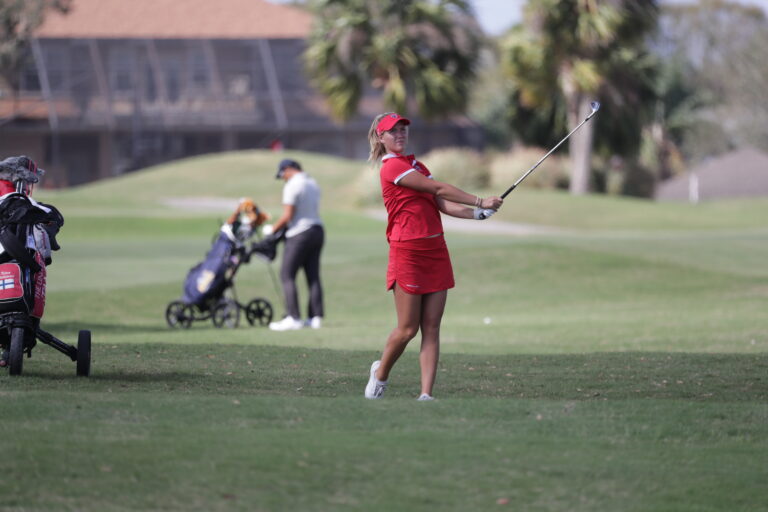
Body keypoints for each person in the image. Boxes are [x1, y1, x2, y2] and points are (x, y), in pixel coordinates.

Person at [364, 113, 503, 400]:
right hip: (408, 253)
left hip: (435, 250)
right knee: (407, 329)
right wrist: (480, 199)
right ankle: (380, 374)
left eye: (403, 130)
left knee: (432, 326)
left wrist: (478, 214)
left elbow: (441, 203)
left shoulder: (416, 165)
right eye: (393, 132)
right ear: (381, 137)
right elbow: (438, 188)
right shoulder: (391, 168)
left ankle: (426, 395)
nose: (400, 135)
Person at [266, 159, 325, 331]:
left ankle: (293, 318)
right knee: (312, 275)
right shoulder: (313, 182)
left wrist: (271, 230)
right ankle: (315, 318)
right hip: (317, 230)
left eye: (282, 174)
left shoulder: (292, 185)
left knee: (287, 275)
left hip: (299, 233)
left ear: (288, 169)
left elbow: (287, 216)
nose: (283, 178)